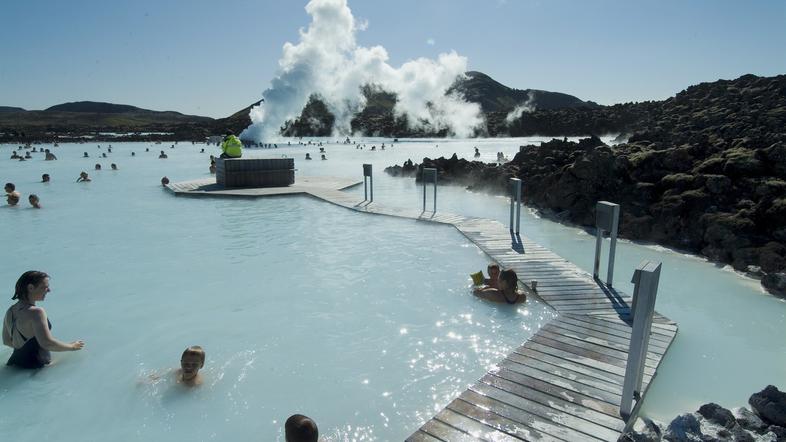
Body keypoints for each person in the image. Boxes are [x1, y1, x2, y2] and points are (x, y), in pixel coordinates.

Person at [2, 271, 85, 368]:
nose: (48, 290)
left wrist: (26, 351)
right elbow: (47, 343)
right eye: (44, 287)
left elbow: (6, 341)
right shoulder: (36, 312)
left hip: (13, 363)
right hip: (35, 366)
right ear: (31, 288)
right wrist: (72, 347)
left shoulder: (10, 311)